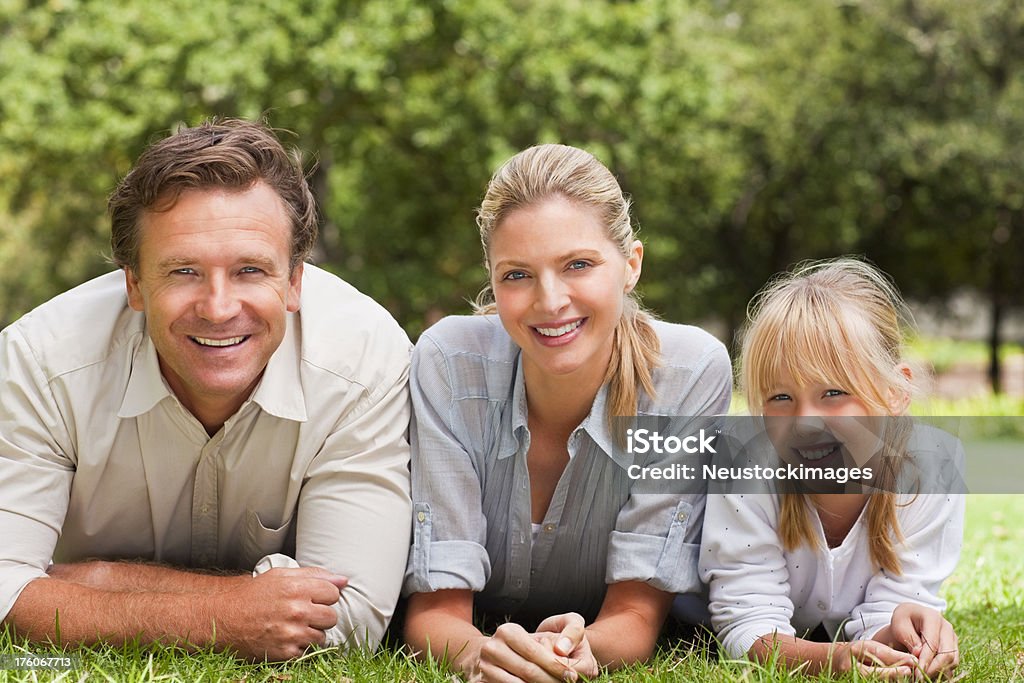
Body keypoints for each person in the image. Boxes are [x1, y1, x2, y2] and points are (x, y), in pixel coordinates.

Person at [0, 119, 412, 660]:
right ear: (135, 283)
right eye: (184, 271)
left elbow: (350, 619)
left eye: (249, 270)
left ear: (293, 282)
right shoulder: (42, 362)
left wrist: (92, 583)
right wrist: (224, 614)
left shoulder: (363, 360)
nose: (218, 309)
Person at [402, 143, 732, 682]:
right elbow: (438, 611)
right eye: (517, 275)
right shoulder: (449, 362)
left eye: (578, 264)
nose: (550, 301)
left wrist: (580, 654)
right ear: (491, 276)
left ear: (631, 265)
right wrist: (483, 657)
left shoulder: (689, 374)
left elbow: (636, 612)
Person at [700, 258, 964, 679]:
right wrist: (835, 660)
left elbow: (894, 603)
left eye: (834, 392)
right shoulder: (744, 465)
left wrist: (904, 636)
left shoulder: (931, 470)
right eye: (780, 398)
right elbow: (746, 624)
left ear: (895, 393)